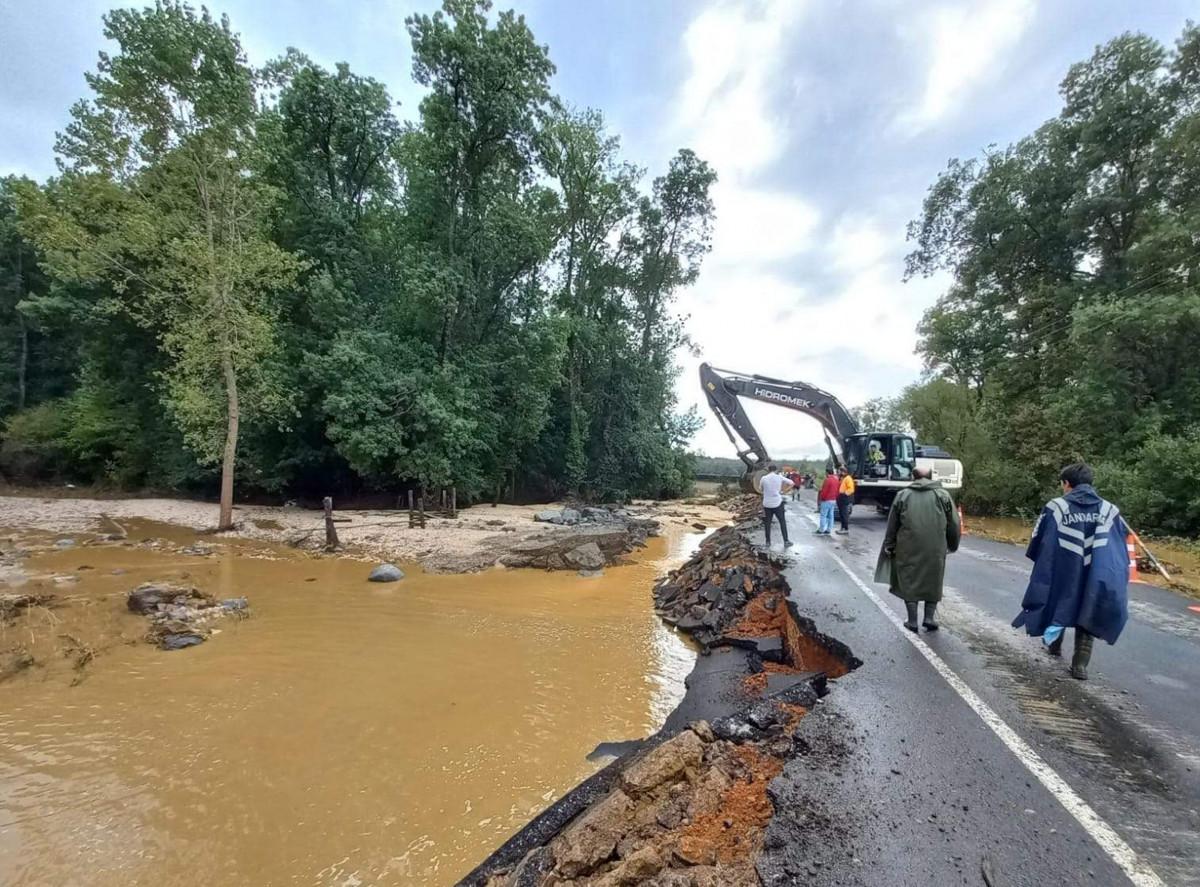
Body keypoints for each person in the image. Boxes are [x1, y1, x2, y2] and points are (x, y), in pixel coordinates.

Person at [1012, 463, 1130, 680]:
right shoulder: (1110, 510)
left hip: (1064, 567)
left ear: (1066, 484)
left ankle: (1054, 646)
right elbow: (1120, 547)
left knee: (1059, 602)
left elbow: (1038, 538)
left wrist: (1043, 561)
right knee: (1089, 607)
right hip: (1097, 570)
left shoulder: (1056, 507)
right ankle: (1080, 665)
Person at [874, 467, 960, 632]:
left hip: (907, 547)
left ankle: (912, 621)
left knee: (909, 580)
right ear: (931, 476)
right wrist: (952, 544)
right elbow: (954, 524)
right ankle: (929, 618)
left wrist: (889, 545)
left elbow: (893, 525)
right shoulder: (943, 495)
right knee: (933, 579)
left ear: (913, 477)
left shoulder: (903, 495)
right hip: (935, 547)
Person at [759, 464, 794, 548]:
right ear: (775, 470)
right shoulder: (779, 477)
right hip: (777, 503)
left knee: (767, 523)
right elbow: (792, 483)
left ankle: (768, 542)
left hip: (767, 503)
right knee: (782, 522)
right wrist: (783, 491)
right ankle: (786, 541)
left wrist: (766, 491)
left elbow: (760, 489)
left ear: (768, 469)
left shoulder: (764, 478)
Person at [815, 468, 839, 535]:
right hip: (833, 500)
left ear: (827, 473)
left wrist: (822, 498)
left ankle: (821, 530)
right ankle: (828, 530)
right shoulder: (836, 480)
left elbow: (824, 491)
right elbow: (837, 490)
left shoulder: (827, 480)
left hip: (826, 500)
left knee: (823, 515)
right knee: (831, 515)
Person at [836, 468, 856, 534]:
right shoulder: (843, 478)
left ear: (843, 472)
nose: (838, 473)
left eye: (839, 472)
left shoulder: (848, 478)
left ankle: (845, 528)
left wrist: (845, 494)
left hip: (845, 497)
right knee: (841, 513)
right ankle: (842, 528)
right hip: (841, 497)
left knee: (844, 513)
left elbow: (851, 489)